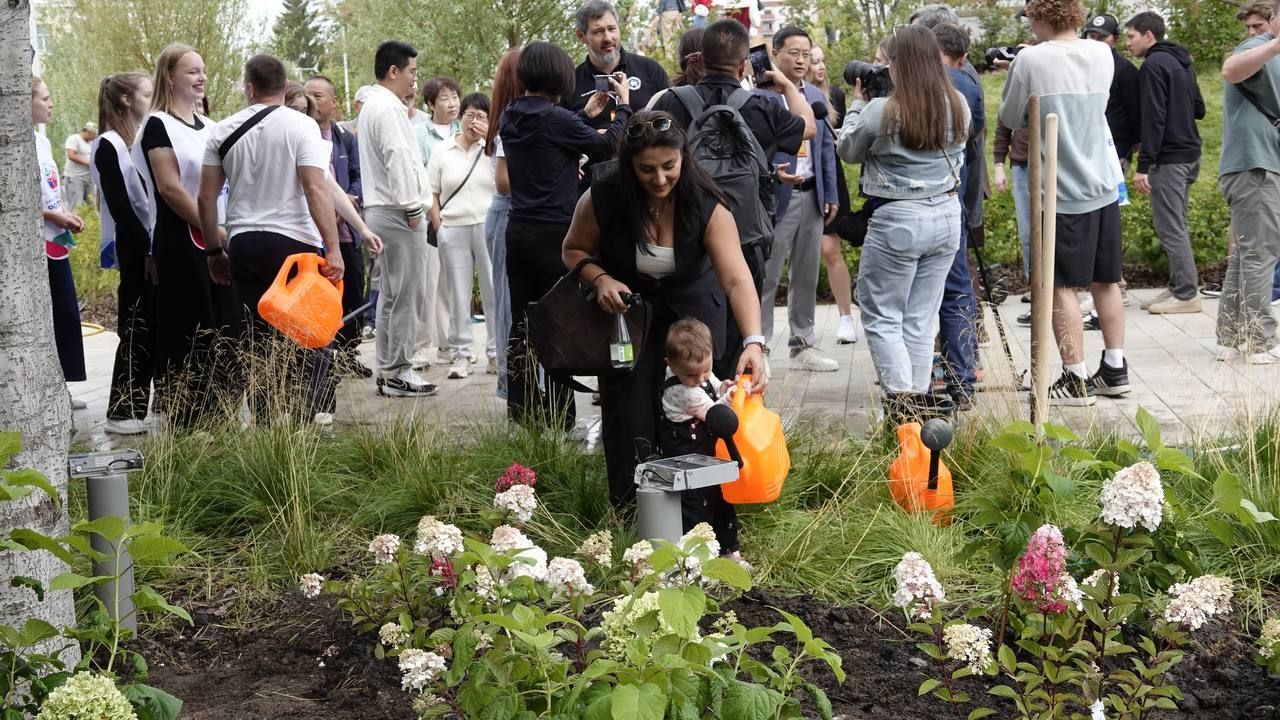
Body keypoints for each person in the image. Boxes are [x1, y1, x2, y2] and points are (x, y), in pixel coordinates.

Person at [560, 110, 767, 539]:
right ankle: (635, 525)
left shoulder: (707, 203)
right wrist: (599, 278)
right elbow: (573, 250)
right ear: (628, 164)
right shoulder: (603, 197)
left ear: (683, 157)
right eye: (646, 169)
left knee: (696, 418)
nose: (659, 179)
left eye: (669, 166)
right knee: (629, 416)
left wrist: (754, 341)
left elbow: (736, 276)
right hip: (628, 318)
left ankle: (706, 529)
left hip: (693, 319)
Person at [652, 19, 814, 376]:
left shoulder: (670, 102)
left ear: (702, 58)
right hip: (746, 240)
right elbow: (810, 126)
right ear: (743, 65)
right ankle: (734, 410)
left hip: (683, 238)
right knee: (741, 333)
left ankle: (682, 408)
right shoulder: (762, 105)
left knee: (683, 335)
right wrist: (785, 85)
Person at [198, 54, 344, 425]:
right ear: (284, 86)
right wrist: (335, 248)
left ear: (250, 87)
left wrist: (214, 251)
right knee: (303, 334)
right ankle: (302, 421)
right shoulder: (302, 126)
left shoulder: (222, 130)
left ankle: (265, 422)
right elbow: (315, 188)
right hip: (293, 244)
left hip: (244, 242)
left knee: (254, 335)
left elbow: (206, 197)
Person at [999, 0, 1129, 405]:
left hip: (1059, 188)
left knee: (1056, 285)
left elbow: (1013, 116)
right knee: (1106, 279)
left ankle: (1074, 376)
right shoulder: (1103, 52)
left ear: (1038, 17)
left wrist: (1019, 67)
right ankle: (1115, 366)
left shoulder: (1031, 60)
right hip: (1103, 183)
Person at [837, 25, 969, 418]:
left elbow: (848, 150)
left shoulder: (883, 110)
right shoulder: (957, 101)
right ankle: (920, 403)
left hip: (898, 219)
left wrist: (858, 104)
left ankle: (902, 404)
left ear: (899, 63)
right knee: (920, 316)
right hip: (946, 215)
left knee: (881, 314)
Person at [500, 41, 633, 429]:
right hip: (555, 235)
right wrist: (622, 105)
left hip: (518, 232)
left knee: (522, 322)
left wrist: (582, 114)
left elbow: (550, 139)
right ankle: (560, 414)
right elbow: (606, 146)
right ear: (560, 77)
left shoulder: (511, 115)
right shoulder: (555, 119)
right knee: (558, 321)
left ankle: (521, 409)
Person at [133, 43, 240, 428]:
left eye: (203, 70)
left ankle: (224, 412)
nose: (201, 77)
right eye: (192, 71)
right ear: (170, 76)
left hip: (219, 236)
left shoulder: (212, 127)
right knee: (191, 329)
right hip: (182, 240)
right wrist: (214, 232)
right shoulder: (158, 125)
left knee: (225, 324)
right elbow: (170, 188)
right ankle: (190, 419)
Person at [759, 26, 840, 373]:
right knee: (767, 274)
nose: (802, 60)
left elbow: (825, 152)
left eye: (806, 54)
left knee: (806, 272)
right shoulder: (761, 98)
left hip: (812, 195)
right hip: (777, 196)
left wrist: (831, 193)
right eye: (794, 53)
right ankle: (758, 345)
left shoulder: (814, 98)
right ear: (775, 53)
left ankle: (802, 343)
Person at [359, 41, 437, 397]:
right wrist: (412, 208)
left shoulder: (376, 105)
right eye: (412, 72)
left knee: (393, 294)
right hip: (397, 211)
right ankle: (397, 370)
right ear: (394, 71)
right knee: (405, 294)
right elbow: (398, 159)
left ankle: (390, 370)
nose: (414, 80)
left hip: (384, 210)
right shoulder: (387, 108)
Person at [1125, 12, 1206, 315]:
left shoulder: (1153, 65)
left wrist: (1144, 165)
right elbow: (1199, 108)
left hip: (1170, 158)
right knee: (1177, 224)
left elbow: (1154, 117)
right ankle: (1176, 287)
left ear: (1149, 36)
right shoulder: (1182, 61)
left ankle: (1186, 294)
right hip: (1191, 153)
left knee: (1170, 227)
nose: (1127, 42)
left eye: (1131, 36)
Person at [93, 72, 155, 435]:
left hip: (150, 242)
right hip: (135, 246)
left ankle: (155, 399)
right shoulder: (109, 144)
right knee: (136, 323)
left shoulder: (141, 139)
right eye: (147, 93)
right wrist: (145, 249)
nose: (153, 98)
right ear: (128, 101)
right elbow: (120, 205)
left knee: (152, 321)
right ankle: (123, 407)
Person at [1217, 6, 1280, 362]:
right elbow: (1229, 70)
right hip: (1254, 166)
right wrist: (1273, 47)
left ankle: (1231, 336)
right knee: (1259, 254)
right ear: (1274, 19)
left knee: (1246, 255)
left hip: (1255, 165)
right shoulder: (1259, 46)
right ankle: (1260, 341)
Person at [428, 93, 499, 379]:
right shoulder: (442, 151)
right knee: (458, 294)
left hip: (487, 224)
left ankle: (495, 353)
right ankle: (461, 355)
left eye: (482, 116)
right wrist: (439, 226)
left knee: (493, 289)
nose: (475, 121)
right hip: (453, 227)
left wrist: (491, 141)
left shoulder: (494, 150)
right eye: (470, 115)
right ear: (461, 117)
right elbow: (431, 192)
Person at [932, 22, 984, 410]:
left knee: (912, 298)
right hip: (954, 199)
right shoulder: (969, 85)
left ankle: (913, 382)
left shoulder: (909, 84)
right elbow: (975, 132)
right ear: (963, 56)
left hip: (908, 204)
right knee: (957, 290)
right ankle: (962, 379)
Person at [307, 74, 370, 378]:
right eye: (308, 95)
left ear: (333, 102)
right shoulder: (302, 135)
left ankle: (348, 353)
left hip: (346, 232)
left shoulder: (345, 138)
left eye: (318, 95)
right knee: (322, 298)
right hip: (314, 236)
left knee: (354, 292)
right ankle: (325, 358)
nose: (311, 100)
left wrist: (349, 204)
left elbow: (358, 177)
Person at [567, 0, 671, 184]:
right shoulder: (570, 83)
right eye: (598, 31)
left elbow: (673, 126)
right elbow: (560, 137)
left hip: (649, 183)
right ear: (581, 36)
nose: (608, 37)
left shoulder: (650, 70)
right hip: (592, 189)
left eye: (612, 29)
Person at [659, 318, 739, 550]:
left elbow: (713, 388)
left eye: (707, 369)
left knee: (721, 499)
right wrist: (732, 397)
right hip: (687, 461)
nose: (701, 379)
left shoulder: (698, 374)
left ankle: (728, 547)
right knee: (696, 508)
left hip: (705, 456)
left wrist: (724, 386)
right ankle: (697, 555)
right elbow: (716, 415)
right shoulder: (683, 392)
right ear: (671, 366)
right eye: (693, 376)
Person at [34, 76, 88, 404]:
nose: (50, 103)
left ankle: (61, 386)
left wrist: (64, 210)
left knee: (65, 312)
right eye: (44, 98)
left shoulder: (40, 141)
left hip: (55, 239)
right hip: (34, 242)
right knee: (45, 316)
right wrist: (49, 215)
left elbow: (50, 186)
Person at [806, 44, 859, 346]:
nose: (821, 66)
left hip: (830, 177)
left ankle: (846, 317)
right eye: (815, 62)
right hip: (802, 178)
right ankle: (803, 326)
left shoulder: (834, 96)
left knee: (830, 249)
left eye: (822, 61)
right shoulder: (791, 96)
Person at [485, 49, 523, 401]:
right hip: (508, 212)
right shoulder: (511, 121)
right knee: (509, 309)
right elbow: (503, 181)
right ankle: (510, 390)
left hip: (514, 214)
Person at [415, 77, 461, 369]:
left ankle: (450, 344)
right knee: (427, 284)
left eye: (455, 96)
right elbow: (420, 175)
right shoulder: (420, 133)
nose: (452, 103)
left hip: (460, 216)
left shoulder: (465, 129)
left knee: (453, 284)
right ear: (431, 104)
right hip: (428, 217)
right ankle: (420, 347)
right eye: (445, 98)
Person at [1084, 14, 1141, 169]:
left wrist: (1135, 141)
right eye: (1091, 36)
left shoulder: (1125, 71)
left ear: (1115, 39)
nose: (1095, 42)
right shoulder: (1079, 65)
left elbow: (1135, 110)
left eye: (1101, 37)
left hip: (1115, 148)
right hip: (1082, 146)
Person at [63, 121, 97, 211]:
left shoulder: (91, 143)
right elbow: (71, 155)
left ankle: (88, 225)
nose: (93, 137)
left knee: (91, 206)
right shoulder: (74, 139)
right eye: (93, 134)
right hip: (75, 178)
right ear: (87, 131)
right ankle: (74, 225)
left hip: (88, 179)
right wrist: (89, 163)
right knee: (76, 207)